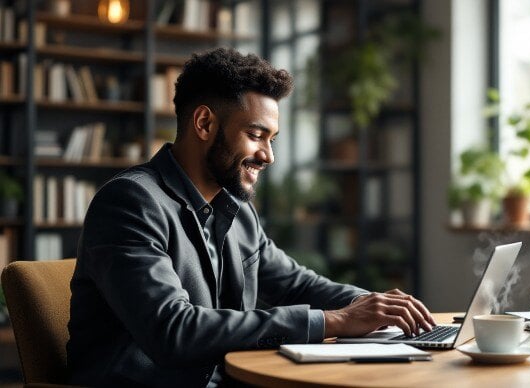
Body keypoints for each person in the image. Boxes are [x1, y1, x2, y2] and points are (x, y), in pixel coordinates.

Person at [67, 47, 435, 387]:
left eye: (271, 138)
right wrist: (335, 321)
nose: (268, 156)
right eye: (257, 135)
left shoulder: (237, 210)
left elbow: (296, 284)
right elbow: (173, 330)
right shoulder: (130, 202)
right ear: (205, 123)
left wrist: (380, 309)